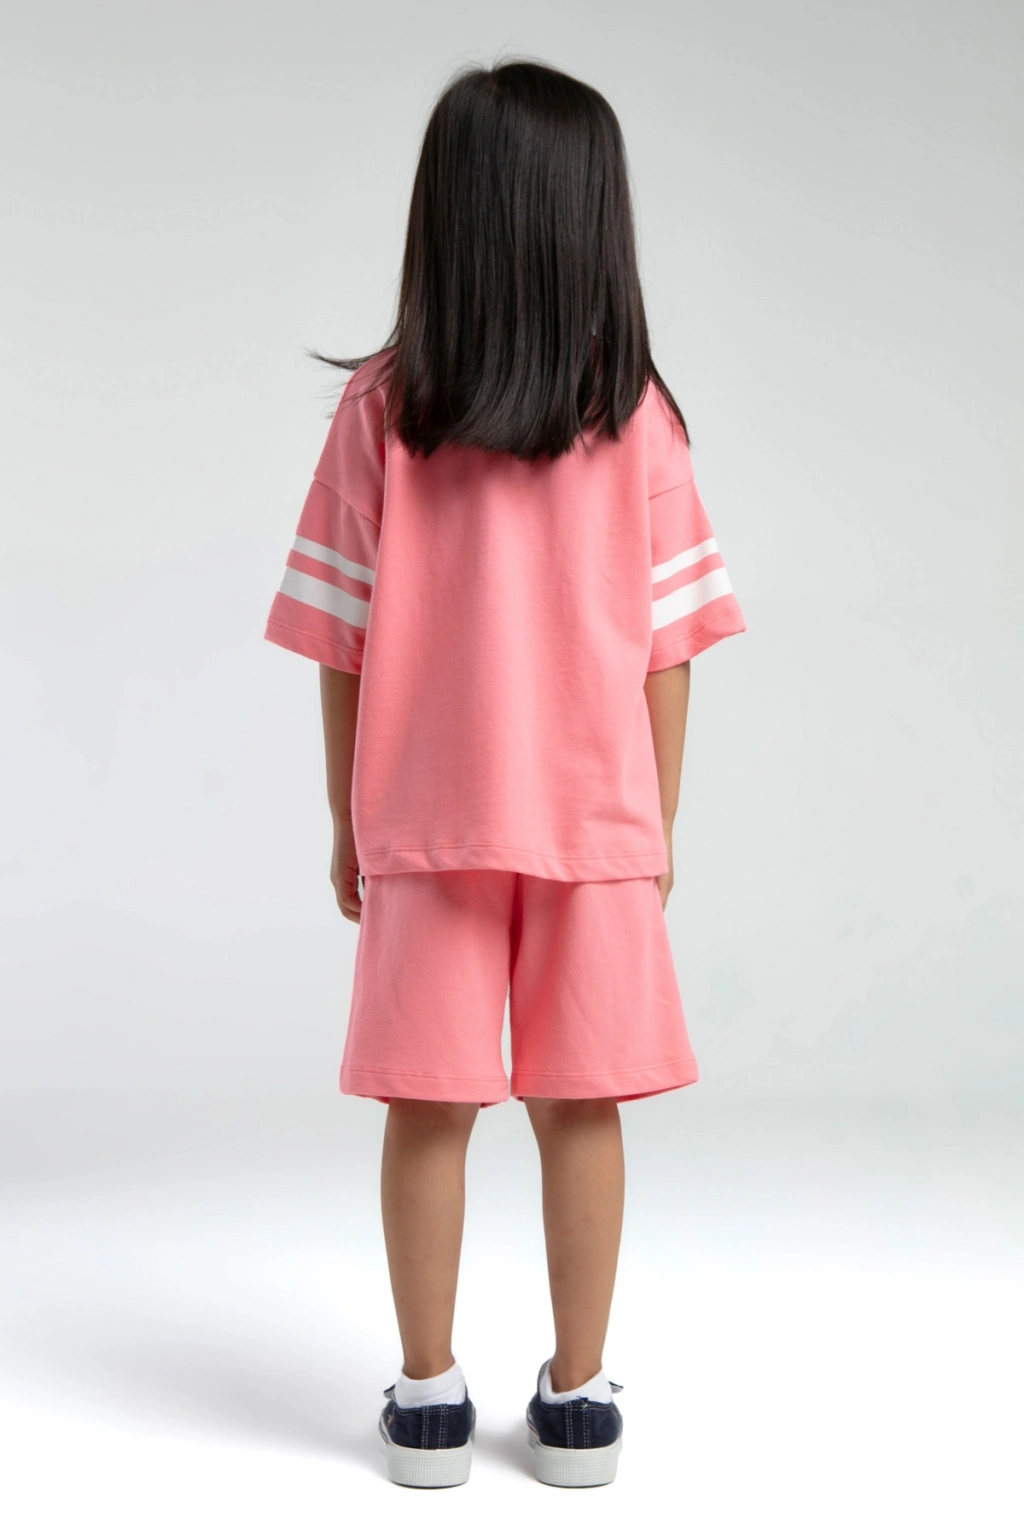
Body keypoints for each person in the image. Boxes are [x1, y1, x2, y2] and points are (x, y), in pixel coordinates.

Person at [264, 57, 746, 1490]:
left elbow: (342, 641)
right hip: (595, 822)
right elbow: (668, 651)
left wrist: (348, 820)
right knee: (580, 1104)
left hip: (425, 818)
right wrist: (655, 829)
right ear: (591, 221)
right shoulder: (636, 416)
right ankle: (579, 1402)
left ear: (448, 217)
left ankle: (426, 1402)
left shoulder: (383, 411)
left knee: (430, 1105)